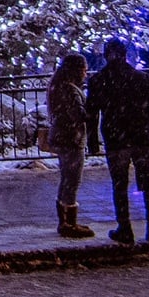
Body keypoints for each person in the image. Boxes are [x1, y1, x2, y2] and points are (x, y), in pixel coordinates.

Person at [87, 37, 149, 246]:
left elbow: (91, 114)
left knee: (120, 185)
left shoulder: (98, 80)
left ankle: (125, 228)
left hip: (116, 138)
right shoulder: (139, 78)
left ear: (105, 55)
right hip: (141, 137)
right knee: (148, 185)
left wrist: (92, 142)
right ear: (125, 54)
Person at [48, 52, 94, 239]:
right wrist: (91, 108)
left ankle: (65, 219)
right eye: (84, 70)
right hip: (71, 139)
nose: (86, 73)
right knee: (72, 179)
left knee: (67, 177)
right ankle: (69, 222)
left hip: (62, 137)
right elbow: (78, 114)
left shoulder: (57, 86)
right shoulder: (70, 90)